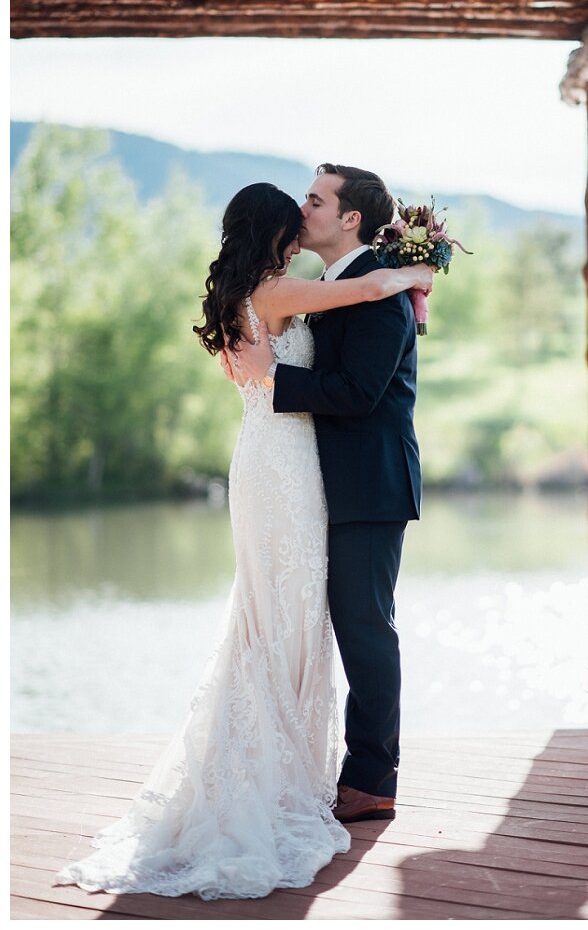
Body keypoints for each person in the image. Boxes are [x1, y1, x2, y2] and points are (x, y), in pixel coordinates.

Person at [57, 182, 432, 899]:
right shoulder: (279, 291)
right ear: (274, 234)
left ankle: (305, 768)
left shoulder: (270, 286)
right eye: (296, 217)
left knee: (286, 618)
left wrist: (404, 280)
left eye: (316, 204)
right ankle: (288, 773)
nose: (304, 222)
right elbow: (359, 299)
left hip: (287, 465)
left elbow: (353, 348)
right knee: (280, 618)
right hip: (281, 469)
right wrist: (410, 271)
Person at [235, 164, 422, 826]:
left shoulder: (379, 296)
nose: (303, 207)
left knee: (365, 630)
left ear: (349, 218)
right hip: (312, 485)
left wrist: (275, 381)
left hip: (368, 486)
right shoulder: (333, 288)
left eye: (316, 199)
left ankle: (371, 779)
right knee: (314, 626)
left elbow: (358, 393)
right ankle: (307, 765)